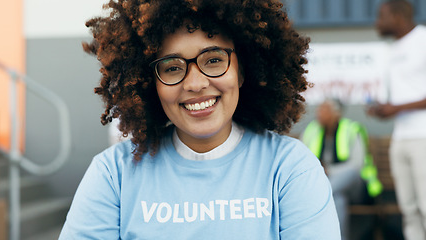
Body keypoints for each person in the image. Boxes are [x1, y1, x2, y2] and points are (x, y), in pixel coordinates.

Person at [59, 0, 340, 239]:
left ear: (242, 71)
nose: (195, 83)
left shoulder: (290, 169)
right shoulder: (113, 175)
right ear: (149, 84)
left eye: (214, 60)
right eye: (172, 67)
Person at [368, 1, 426, 239]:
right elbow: (394, 99)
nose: (377, 23)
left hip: (423, 137)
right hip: (400, 138)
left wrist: (396, 108)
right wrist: (381, 109)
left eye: (382, 16)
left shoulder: (423, 40)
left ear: (399, 16)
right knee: (409, 210)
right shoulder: (392, 50)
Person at [301, 99, 382, 240]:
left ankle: (322, 193)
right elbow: (301, 160)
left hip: (355, 187)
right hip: (332, 187)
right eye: (319, 109)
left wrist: (330, 171)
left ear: (336, 114)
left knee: (348, 174)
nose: (319, 113)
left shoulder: (351, 129)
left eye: (324, 110)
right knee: (337, 198)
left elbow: (357, 165)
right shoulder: (311, 130)